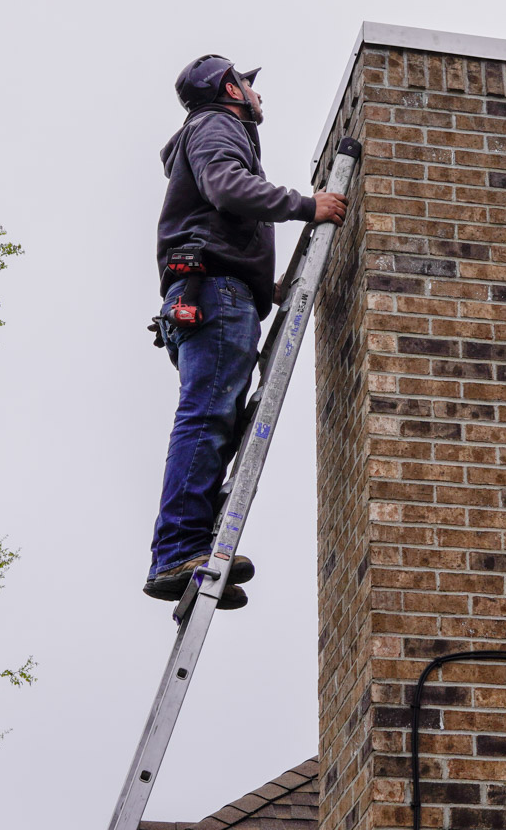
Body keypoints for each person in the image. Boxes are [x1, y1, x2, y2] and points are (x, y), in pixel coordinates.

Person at [145, 54, 347, 605]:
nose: (259, 96)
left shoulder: (212, 130)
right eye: (250, 85)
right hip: (212, 294)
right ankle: (178, 552)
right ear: (230, 88)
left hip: (213, 294)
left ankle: (191, 552)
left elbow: (221, 213)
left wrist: (267, 286)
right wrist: (308, 206)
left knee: (218, 420)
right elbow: (228, 188)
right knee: (208, 417)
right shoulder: (216, 126)